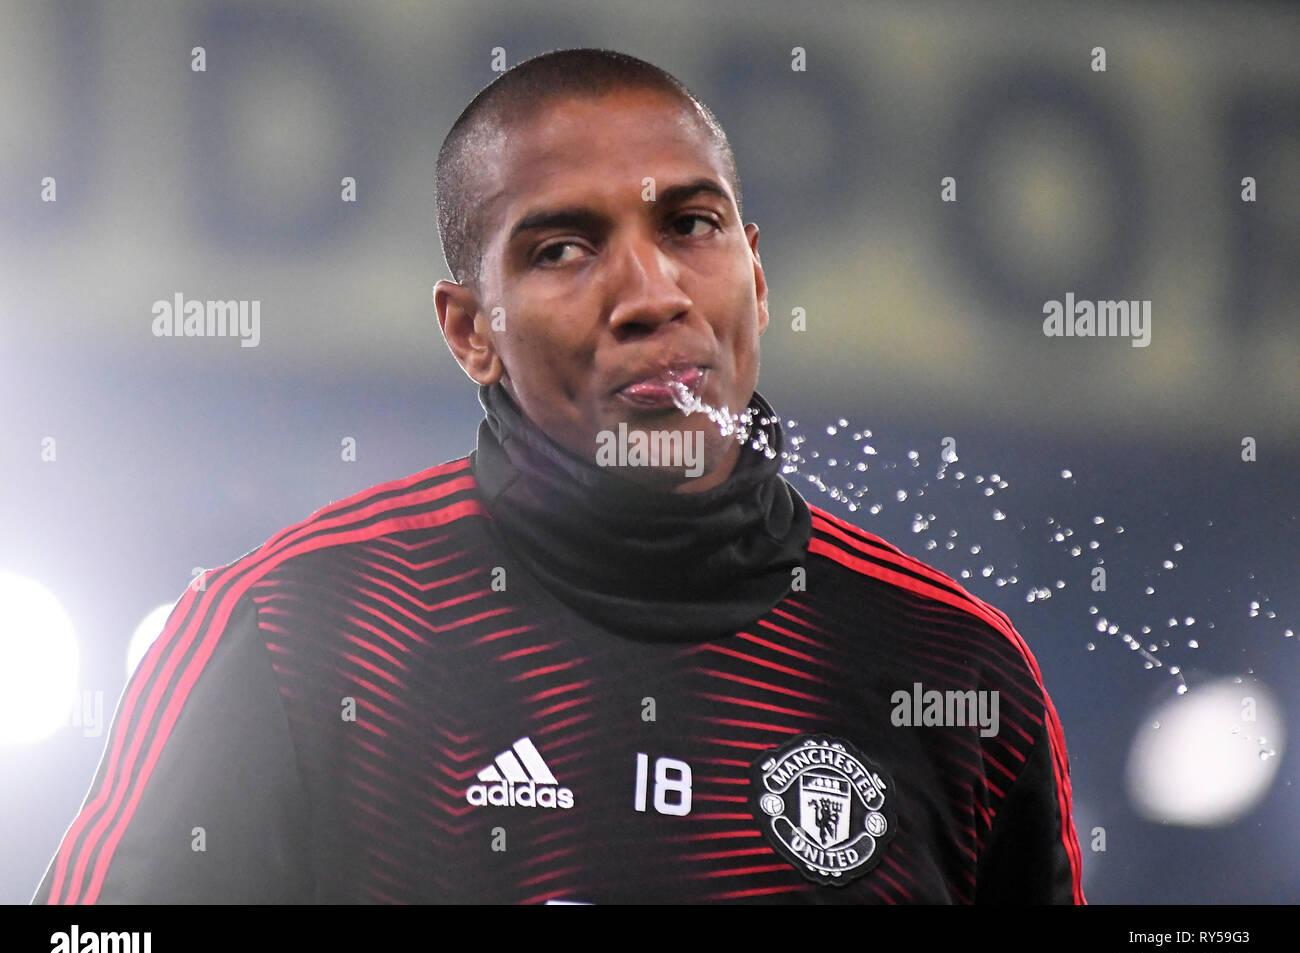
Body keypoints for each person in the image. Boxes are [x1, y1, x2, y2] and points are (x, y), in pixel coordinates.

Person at [34, 48, 1084, 904]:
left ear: (756, 278)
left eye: (690, 225)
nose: (650, 292)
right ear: (469, 332)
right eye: (563, 249)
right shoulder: (292, 627)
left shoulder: (957, 673)